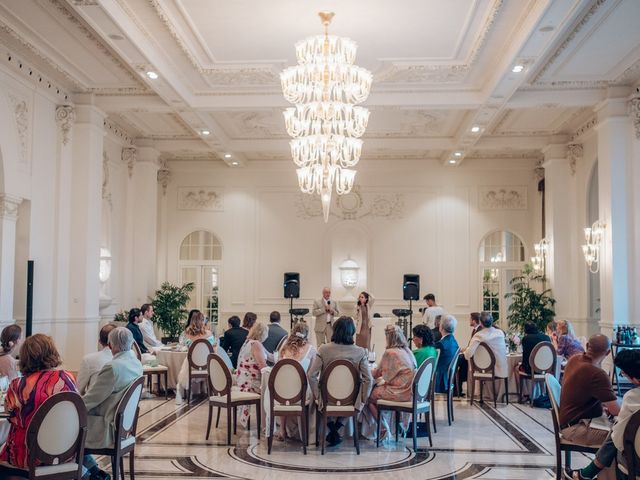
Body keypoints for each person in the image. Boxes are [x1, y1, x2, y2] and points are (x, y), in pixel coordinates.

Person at [0, 335, 79, 474]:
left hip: (29, 455)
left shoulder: (19, 385)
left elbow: (8, 410)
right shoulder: (68, 377)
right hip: (65, 452)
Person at [566, 349, 640, 480]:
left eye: (624, 374)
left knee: (616, 436)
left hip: (635, 465)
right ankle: (587, 473)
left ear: (635, 379)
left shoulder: (632, 398)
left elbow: (619, 440)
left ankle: (588, 473)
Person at [82, 327, 143, 479]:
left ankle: (88, 475)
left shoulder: (112, 367)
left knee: (66, 435)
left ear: (110, 345)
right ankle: (94, 473)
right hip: (123, 427)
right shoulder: (137, 364)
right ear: (132, 343)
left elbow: (90, 399)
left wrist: (70, 408)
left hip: (106, 428)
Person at [308, 316, 372, 447]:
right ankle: (337, 427)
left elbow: (311, 375)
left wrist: (318, 398)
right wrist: (362, 401)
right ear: (352, 332)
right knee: (356, 394)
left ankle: (332, 427)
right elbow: (369, 379)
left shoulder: (323, 349)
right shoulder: (360, 352)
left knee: (322, 396)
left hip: (327, 398)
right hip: (350, 399)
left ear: (334, 330)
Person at [558, 334, 619, 448]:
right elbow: (616, 411)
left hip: (567, 423)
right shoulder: (597, 373)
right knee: (622, 435)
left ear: (586, 345)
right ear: (608, 353)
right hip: (577, 428)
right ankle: (600, 466)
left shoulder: (574, 359)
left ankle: (599, 465)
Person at [368, 325, 416, 437]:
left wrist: (364, 371)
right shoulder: (407, 350)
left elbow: (378, 374)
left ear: (388, 338)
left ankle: (383, 428)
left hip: (400, 392)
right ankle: (395, 426)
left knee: (368, 397)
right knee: (377, 389)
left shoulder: (390, 353)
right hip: (410, 391)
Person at [175, 312, 216, 404]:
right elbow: (213, 348)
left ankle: (186, 393)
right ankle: (209, 392)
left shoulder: (187, 333)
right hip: (207, 364)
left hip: (192, 364)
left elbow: (185, 346)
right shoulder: (209, 334)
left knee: (186, 362)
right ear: (202, 321)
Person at [235, 322, 269, 427]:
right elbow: (263, 367)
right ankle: (270, 425)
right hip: (251, 384)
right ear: (263, 334)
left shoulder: (248, 342)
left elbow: (270, 356)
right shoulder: (256, 344)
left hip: (242, 381)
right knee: (274, 391)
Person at [76, 323, 118, 394]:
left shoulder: (89, 360)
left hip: (95, 403)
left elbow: (78, 389)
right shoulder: (128, 360)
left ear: (100, 341)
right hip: (123, 403)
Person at [464, 312, 508, 379]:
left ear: (480, 323)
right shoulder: (500, 333)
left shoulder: (479, 335)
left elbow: (468, 354)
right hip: (502, 370)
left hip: (487, 370)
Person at [435, 314, 460, 393]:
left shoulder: (441, 344)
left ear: (441, 327)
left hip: (439, 379)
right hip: (448, 378)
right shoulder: (454, 342)